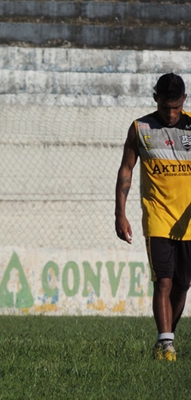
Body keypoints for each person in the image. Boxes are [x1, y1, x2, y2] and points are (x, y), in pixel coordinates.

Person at [115, 72, 191, 362]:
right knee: (164, 281)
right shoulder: (140, 128)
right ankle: (166, 343)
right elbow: (126, 169)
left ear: (184, 100)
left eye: (176, 107)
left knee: (183, 284)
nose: (171, 114)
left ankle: (166, 336)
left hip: (189, 220)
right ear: (155, 98)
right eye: (165, 107)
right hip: (157, 216)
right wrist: (119, 213)